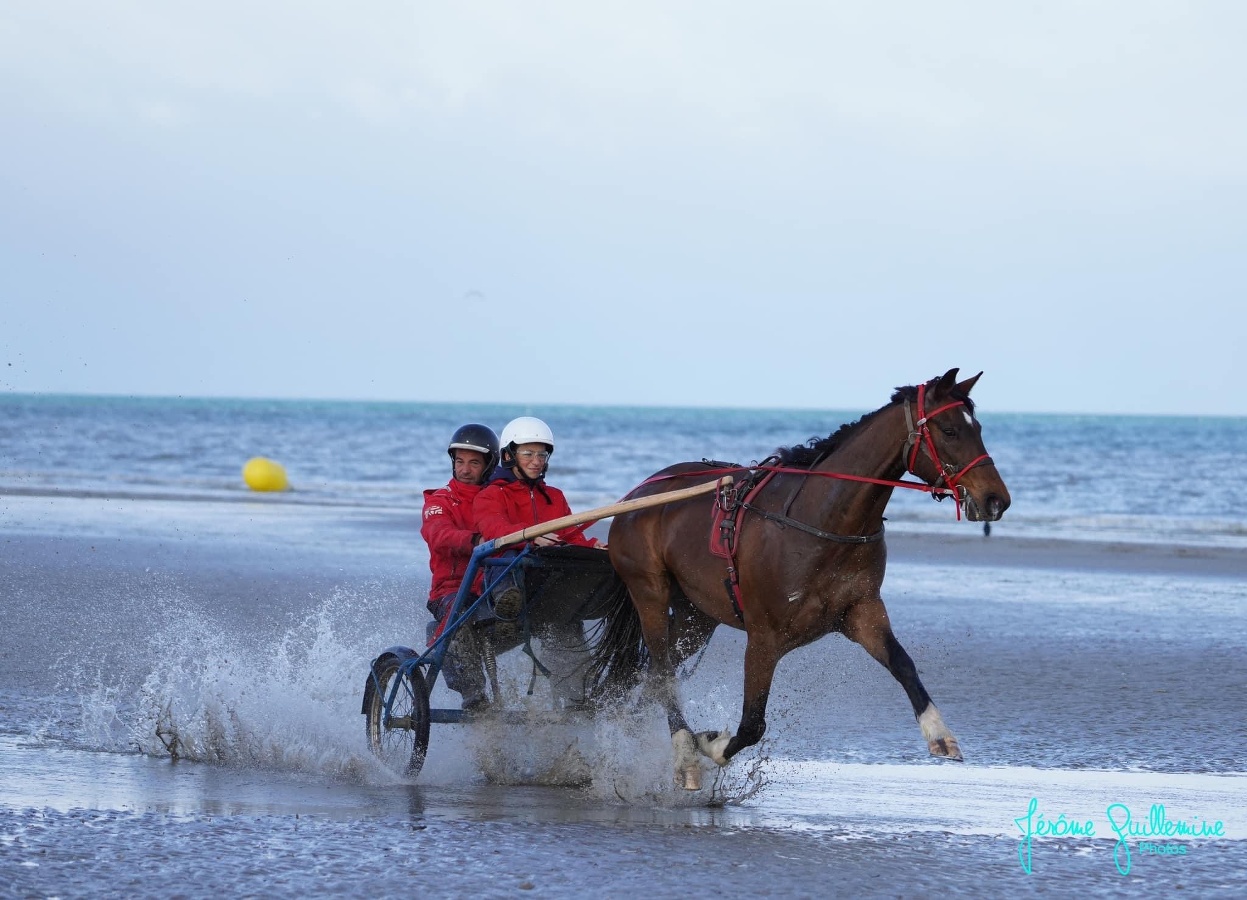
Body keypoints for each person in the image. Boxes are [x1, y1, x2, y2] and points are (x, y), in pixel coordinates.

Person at [473, 416, 602, 709]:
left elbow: (571, 535)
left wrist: (594, 545)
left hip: (548, 595)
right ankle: (510, 603)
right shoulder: (491, 494)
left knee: (584, 568)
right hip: (504, 586)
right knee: (505, 554)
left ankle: (577, 700)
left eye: (542, 454)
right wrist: (529, 538)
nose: (536, 461)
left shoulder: (554, 496)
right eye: (528, 454)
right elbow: (492, 528)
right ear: (509, 455)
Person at [420, 423, 500, 711]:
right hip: (451, 592)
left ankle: (574, 697)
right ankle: (474, 696)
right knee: (461, 610)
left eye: (474, 463)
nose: (464, 470)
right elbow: (438, 535)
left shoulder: (497, 498)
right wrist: (476, 540)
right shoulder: (439, 500)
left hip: (493, 587)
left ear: (489, 465)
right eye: (459, 461)